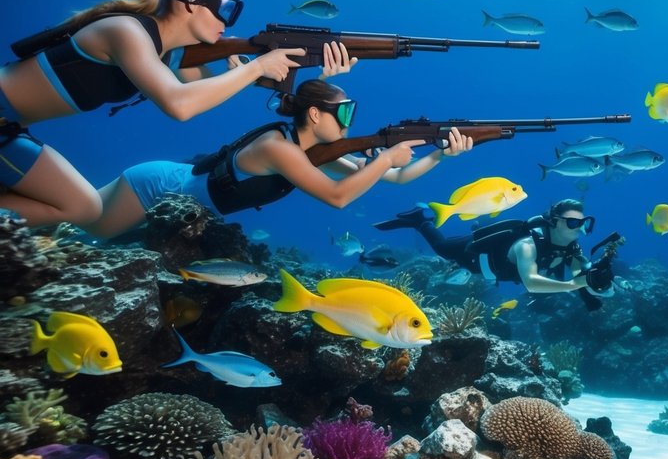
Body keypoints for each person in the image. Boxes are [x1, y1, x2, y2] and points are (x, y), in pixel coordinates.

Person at [0, 0, 309, 226]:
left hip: (10, 129)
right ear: (190, 1)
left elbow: (203, 90)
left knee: (85, 208)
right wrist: (254, 69)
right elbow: (180, 105)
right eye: (226, 8)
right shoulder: (126, 31)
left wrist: (306, 70)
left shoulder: (167, 55)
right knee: (83, 208)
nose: (227, 23)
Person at [81, 44, 473, 238]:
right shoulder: (278, 148)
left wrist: (440, 154)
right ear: (316, 114)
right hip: (156, 188)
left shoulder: (311, 151)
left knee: (82, 223)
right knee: (83, 226)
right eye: (346, 113)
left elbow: (396, 179)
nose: (351, 123)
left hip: (183, 202)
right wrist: (385, 159)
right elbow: (339, 197)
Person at [375, 197, 615, 299]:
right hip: (473, 256)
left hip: (490, 271)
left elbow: (581, 276)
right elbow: (531, 282)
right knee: (441, 247)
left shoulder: (572, 248)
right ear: (554, 221)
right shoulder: (527, 245)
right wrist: (572, 285)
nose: (578, 228)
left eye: (584, 223)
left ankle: (419, 219)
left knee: (441, 248)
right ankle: (420, 219)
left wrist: (598, 281)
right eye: (573, 222)